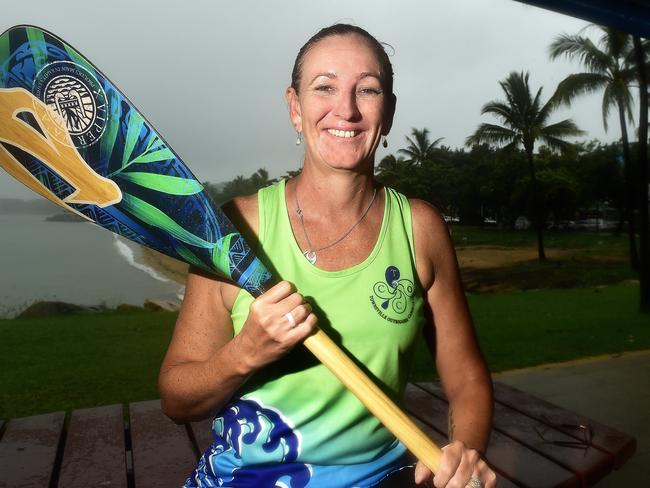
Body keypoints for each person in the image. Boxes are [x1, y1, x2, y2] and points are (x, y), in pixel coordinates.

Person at [159, 24, 495, 488]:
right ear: (295, 108)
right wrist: (244, 353)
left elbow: (466, 377)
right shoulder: (237, 229)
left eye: (368, 89)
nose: (347, 109)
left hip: (382, 478)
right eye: (325, 87)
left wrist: (466, 452)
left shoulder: (420, 229)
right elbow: (176, 400)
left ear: (389, 111)